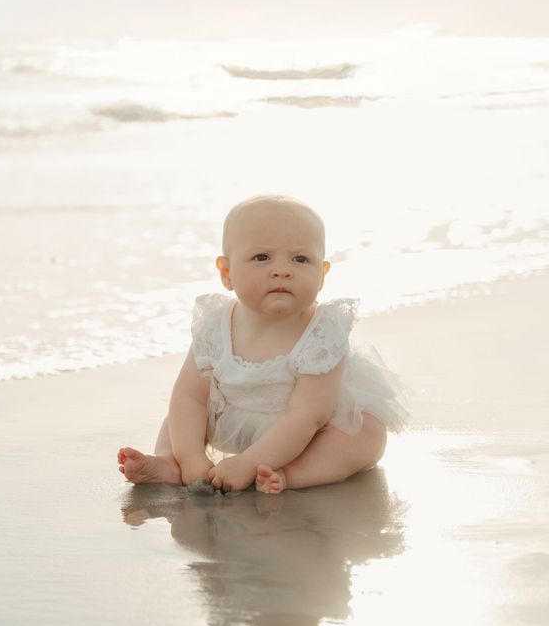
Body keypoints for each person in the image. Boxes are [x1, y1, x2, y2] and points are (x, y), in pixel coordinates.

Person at [116, 195, 407, 494]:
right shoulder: (215, 325)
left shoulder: (323, 332)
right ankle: (171, 464)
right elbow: (189, 396)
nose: (282, 270)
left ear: (321, 274)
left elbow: (307, 416)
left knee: (366, 435)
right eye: (262, 258)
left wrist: (249, 463)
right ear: (226, 273)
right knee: (180, 418)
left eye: (300, 259)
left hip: (308, 432)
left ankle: (288, 474)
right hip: (232, 416)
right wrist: (191, 457)